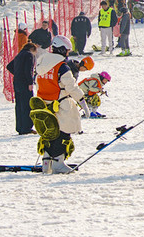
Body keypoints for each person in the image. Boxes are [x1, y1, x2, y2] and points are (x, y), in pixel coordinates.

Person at [33, 35, 88, 173]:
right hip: (61, 104)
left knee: (49, 132)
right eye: (68, 50)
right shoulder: (62, 66)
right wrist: (82, 101)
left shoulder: (42, 63)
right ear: (63, 50)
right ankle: (58, 162)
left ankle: (46, 161)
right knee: (63, 132)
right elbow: (71, 86)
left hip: (44, 104)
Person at [6, 42, 37, 134]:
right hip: (25, 83)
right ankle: (26, 128)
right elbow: (28, 70)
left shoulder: (19, 55)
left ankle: (19, 127)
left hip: (17, 82)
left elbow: (9, 66)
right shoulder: (29, 55)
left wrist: (18, 73)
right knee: (27, 105)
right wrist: (30, 82)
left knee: (19, 105)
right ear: (32, 49)